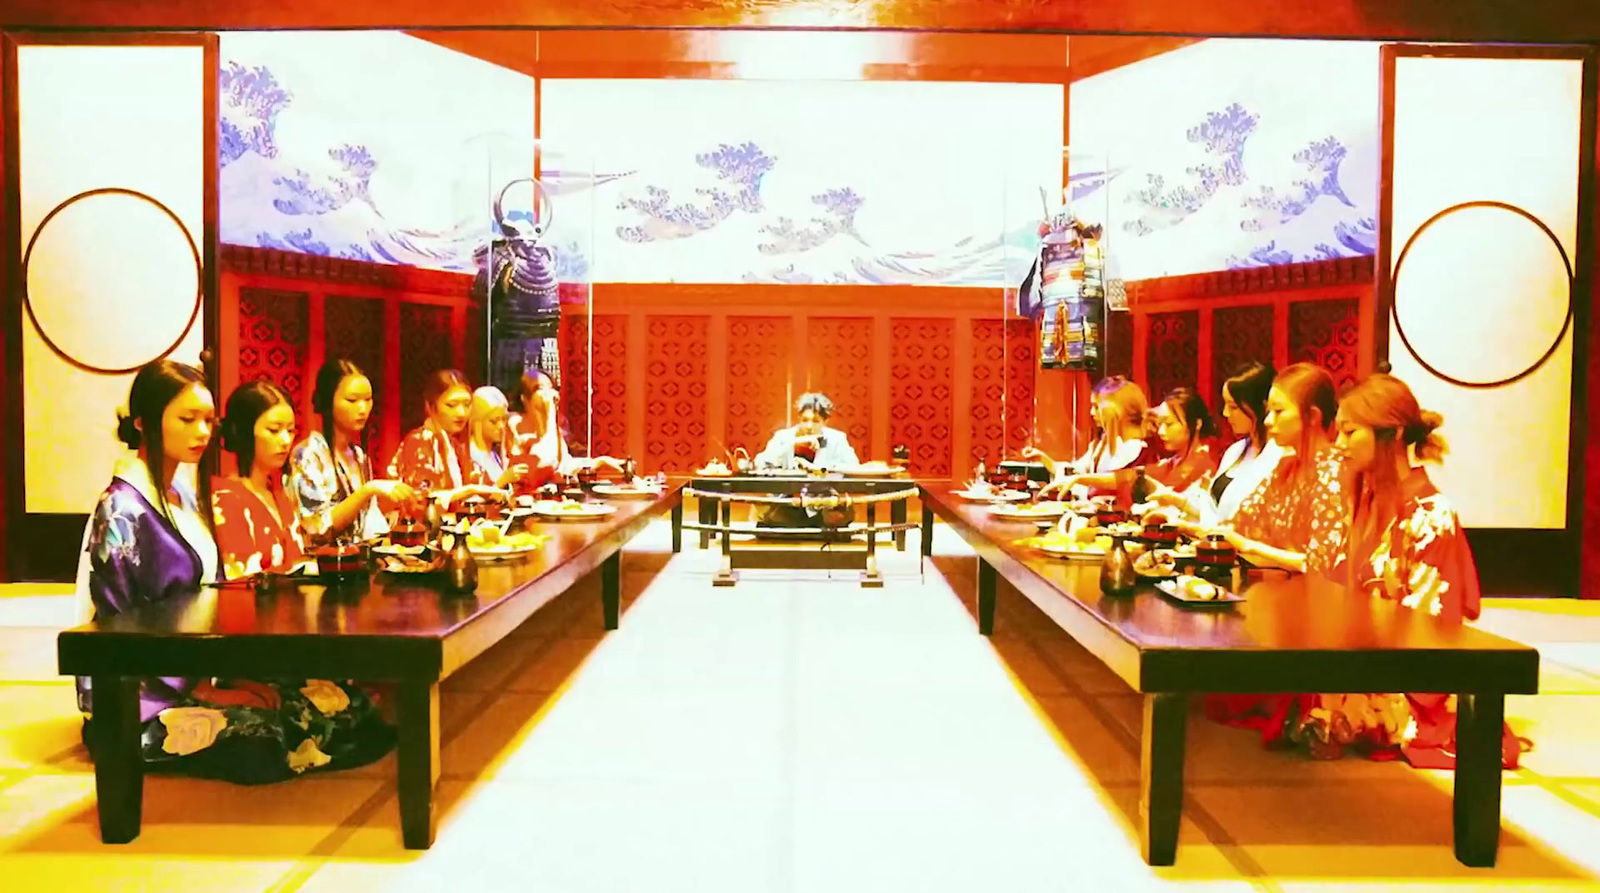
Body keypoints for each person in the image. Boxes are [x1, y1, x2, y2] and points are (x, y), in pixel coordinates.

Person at [75, 360, 392, 784]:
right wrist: (203, 688)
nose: (202, 432)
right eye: (187, 420)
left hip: (194, 665)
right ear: (144, 421)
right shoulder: (122, 509)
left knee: (341, 704)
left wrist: (231, 675)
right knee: (267, 734)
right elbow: (119, 629)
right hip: (143, 692)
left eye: (207, 420)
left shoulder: (183, 494)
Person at [1211, 362, 1346, 574]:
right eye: (1268, 412)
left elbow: (1321, 563)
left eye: (1279, 412)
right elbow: (1239, 525)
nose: (1268, 421)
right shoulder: (1286, 468)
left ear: (1312, 416)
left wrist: (1251, 546)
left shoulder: (1334, 472)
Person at [288, 358, 414, 544]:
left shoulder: (359, 456)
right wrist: (368, 490)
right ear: (328, 400)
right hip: (322, 565)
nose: (363, 408)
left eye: (368, 400)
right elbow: (316, 529)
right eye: (352, 400)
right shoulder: (307, 454)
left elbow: (368, 525)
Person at [1154, 361, 1284, 525]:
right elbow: (1215, 512)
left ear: (1260, 406)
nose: (1225, 413)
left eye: (1233, 407)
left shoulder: (1279, 457)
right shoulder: (1236, 451)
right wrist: (1177, 502)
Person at [1043, 386, 1217, 501]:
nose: (1162, 431)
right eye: (1161, 423)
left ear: (1197, 424)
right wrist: (1079, 478)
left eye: (1169, 424)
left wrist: (1080, 480)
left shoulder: (1203, 465)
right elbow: (1127, 477)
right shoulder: (1175, 461)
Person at [212, 381, 304, 577]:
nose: (286, 440)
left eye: (290, 430)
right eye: (274, 430)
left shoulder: (278, 492)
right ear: (245, 432)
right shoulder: (225, 498)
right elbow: (240, 578)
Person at [387, 369, 506, 506]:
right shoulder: (418, 442)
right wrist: (469, 491)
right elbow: (420, 500)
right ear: (431, 406)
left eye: (467, 405)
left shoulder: (455, 445)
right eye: (451, 405)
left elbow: (480, 481)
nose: (461, 413)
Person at [1026, 375, 1155, 499]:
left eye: (1096, 407)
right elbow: (1077, 471)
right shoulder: (1101, 444)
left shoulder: (1142, 454)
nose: (1092, 413)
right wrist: (1045, 460)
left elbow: (1108, 488)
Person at [753, 392, 859, 527]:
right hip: (787, 501)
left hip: (822, 502)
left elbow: (853, 465)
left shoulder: (836, 439)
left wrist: (823, 468)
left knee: (839, 516)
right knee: (771, 514)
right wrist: (793, 444)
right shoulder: (784, 437)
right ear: (798, 418)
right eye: (805, 420)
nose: (809, 426)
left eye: (815, 421)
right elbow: (760, 463)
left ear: (825, 421)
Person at [509, 369, 625, 478]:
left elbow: (564, 465)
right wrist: (550, 411)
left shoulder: (553, 424)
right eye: (540, 388)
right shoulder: (515, 423)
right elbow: (546, 463)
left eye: (550, 387)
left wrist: (601, 461)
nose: (548, 393)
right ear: (524, 398)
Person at [467, 385, 542, 490]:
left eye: (503, 420)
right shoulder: (470, 456)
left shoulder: (494, 454)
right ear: (477, 422)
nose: (501, 426)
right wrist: (503, 480)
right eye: (494, 421)